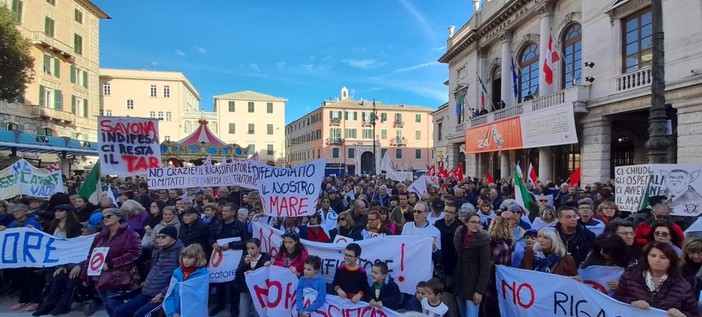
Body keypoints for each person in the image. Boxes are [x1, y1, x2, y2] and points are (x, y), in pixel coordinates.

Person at [80, 208, 142, 316]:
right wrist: (86, 274)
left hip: (118, 276)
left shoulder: (130, 234)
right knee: (106, 303)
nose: (105, 219)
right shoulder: (100, 236)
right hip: (99, 275)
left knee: (114, 304)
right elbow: (91, 256)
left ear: (118, 217)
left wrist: (112, 263)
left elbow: (135, 253)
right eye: (103, 217)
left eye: (108, 216)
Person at [614, 242, 700, 317]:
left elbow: (694, 314)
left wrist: (681, 314)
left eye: (663, 257)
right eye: (653, 255)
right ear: (646, 258)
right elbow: (616, 299)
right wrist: (631, 302)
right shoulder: (629, 276)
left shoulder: (683, 286)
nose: (657, 260)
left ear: (671, 261)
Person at [113, 226, 184, 317]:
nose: (159, 239)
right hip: (146, 291)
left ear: (173, 237)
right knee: (119, 312)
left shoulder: (181, 252)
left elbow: (180, 278)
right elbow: (153, 269)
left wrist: (163, 293)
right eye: (158, 237)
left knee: (140, 315)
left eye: (163, 237)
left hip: (162, 296)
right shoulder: (159, 250)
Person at [33, 204, 83, 315]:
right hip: (55, 258)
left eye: (60, 211)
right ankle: (49, 304)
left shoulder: (75, 226)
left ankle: (63, 305)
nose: (57, 213)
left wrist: (64, 264)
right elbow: (44, 237)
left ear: (67, 213)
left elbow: (75, 245)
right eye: (56, 210)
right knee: (56, 279)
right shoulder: (52, 225)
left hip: (71, 258)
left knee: (70, 280)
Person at [209, 203, 249, 316]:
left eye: (226, 211)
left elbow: (247, 242)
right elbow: (210, 237)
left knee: (233, 282)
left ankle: (234, 306)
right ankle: (219, 304)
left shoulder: (241, 226)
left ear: (233, 213)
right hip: (219, 257)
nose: (223, 213)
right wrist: (213, 244)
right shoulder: (217, 224)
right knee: (220, 283)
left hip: (235, 258)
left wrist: (231, 245)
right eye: (223, 211)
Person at [453, 211, 491, 317]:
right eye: (473, 222)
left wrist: (479, 291)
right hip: (459, 283)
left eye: (478, 222)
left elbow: (485, 268)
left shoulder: (483, 241)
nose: (476, 225)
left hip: (473, 286)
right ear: (466, 223)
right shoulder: (459, 236)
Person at [163, 244, 210, 317]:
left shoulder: (203, 274)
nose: (185, 260)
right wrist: (172, 313)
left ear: (198, 258)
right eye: (184, 257)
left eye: (190, 257)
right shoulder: (177, 272)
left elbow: (200, 300)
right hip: (177, 313)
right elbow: (170, 294)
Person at [484, 216, 513, 316]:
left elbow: (487, 265)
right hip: (502, 283)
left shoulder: (496, 246)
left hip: (492, 282)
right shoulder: (508, 244)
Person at [237, 238, 271, 317]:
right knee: (243, 312)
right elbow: (238, 272)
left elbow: (267, 274)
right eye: (248, 248)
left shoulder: (265, 258)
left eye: (252, 248)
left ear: (259, 248)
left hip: (259, 290)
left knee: (258, 311)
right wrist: (245, 264)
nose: (250, 251)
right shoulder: (245, 257)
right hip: (245, 288)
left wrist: (269, 264)